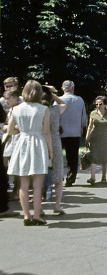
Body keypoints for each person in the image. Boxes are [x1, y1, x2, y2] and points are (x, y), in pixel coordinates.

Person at [5, 80, 53, 226]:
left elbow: (10, 130)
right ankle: (37, 215)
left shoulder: (17, 109)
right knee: (38, 184)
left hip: (22, 143)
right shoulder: (44, 109)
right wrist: (51, 151)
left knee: (23, 184)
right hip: (38, 143)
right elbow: (46, 132)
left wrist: (21, 130)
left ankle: (26, 216)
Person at [41, 86, 67, 214]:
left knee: (38, 174)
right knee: (58, 173)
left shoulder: (38, 110)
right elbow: (63, 103)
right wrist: (52, 93)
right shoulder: (55, 109)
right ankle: (57, 205)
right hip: (55, 141)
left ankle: (38, 207)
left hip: (40, 141)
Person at [59, 80, 87, 187]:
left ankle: (59, 176)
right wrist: (83, 128)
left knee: (58, 155)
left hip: (61, 132)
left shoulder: (59, 100)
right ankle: (71, 178)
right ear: (73, 88)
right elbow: (83, 117)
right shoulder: (79, 100)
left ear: (63, 88)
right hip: (75, 132)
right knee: (73, 156)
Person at [85, 96, 107, 184]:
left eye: (100, 104)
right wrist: (87, 138)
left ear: (105, 104)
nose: (98, 106)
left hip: (106, 138)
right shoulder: (93, 113)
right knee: (93, 157)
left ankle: (104, 177)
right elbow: (90, 127)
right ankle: (92, 178)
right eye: (96, 104)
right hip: (95, 138)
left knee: (105, 158)